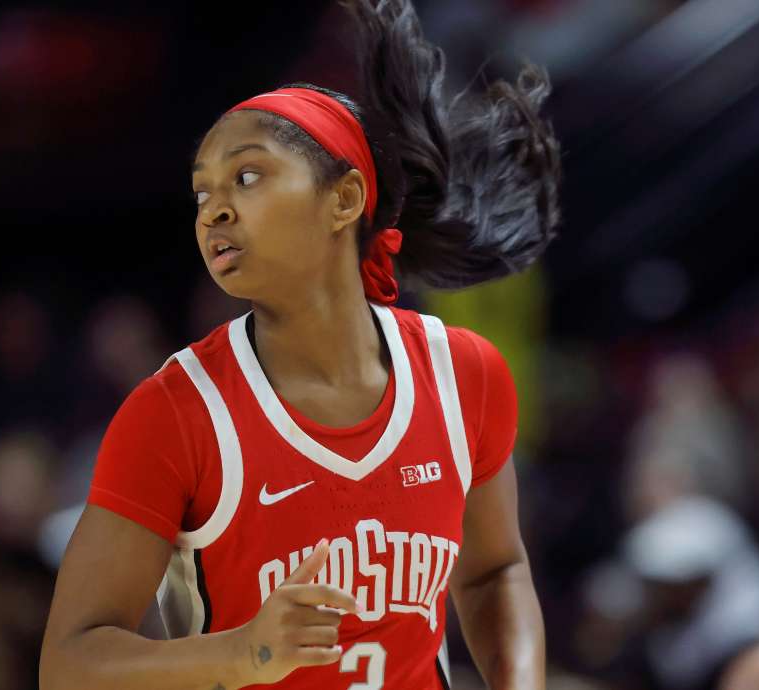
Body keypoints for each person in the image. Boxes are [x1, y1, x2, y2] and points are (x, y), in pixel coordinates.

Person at [39, 0, 560, 687]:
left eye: (247, 176)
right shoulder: (177, 411)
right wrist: (245, 651)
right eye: (202, 193)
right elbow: (68, 663)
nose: (215, 209)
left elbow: (495, 571)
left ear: (343, 201)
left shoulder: (462, 373)